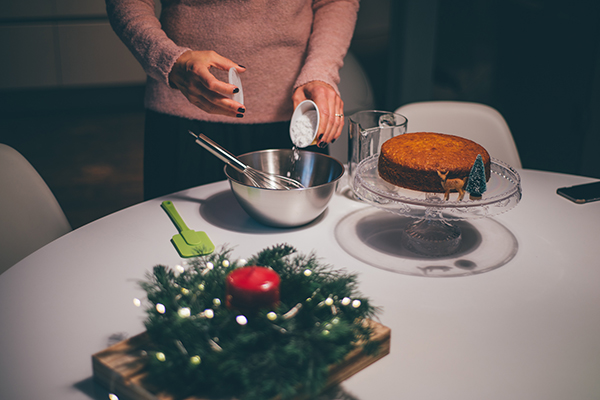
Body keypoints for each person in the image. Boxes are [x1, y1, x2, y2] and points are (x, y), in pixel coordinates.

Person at [105, 0, 359, 199]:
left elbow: (335, 1)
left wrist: (321, 72)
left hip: (294, 116)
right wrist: (169, 60)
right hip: (185, 108)